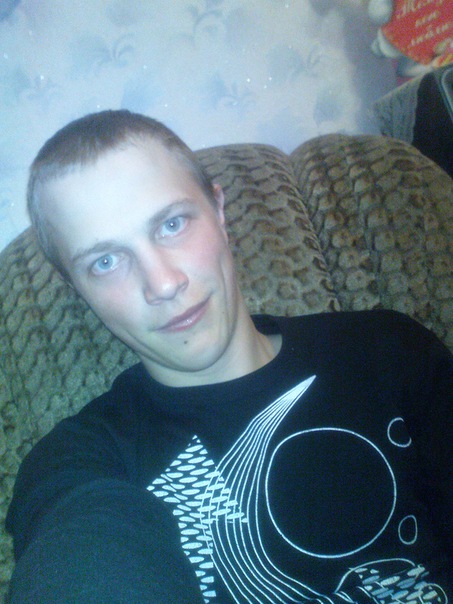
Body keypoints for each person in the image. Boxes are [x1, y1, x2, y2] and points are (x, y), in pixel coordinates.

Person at [5, 110, 453, 603]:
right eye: (105, 261)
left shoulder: (385, 349)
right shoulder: (81, 459)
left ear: (219, 212)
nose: (163, 283)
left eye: (172, 224)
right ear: (78, 289)